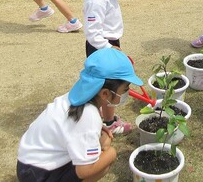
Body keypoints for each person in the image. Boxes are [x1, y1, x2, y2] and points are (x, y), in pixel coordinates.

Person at [17, 47, 142, 181]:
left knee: (99, 154)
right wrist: (111, 152)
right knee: (104, 163)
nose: (126, 93)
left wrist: (98, 130)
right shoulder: (88, 116)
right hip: (37, 175)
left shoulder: (75, 99)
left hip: (28, 165)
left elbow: (70, 129)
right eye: (125, 89)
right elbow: (84, 171)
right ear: (105, 93)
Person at [81, 0, 136, 135]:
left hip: (108, 45)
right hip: (102, 47)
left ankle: (103, 118)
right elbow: (93, 33)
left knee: (106, 86)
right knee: (108, 88)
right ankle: (105, 123)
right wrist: (110, 49)